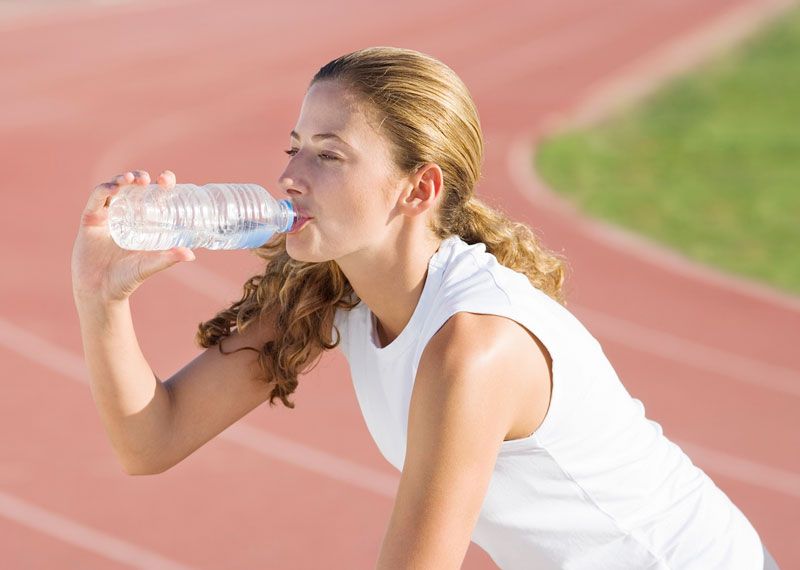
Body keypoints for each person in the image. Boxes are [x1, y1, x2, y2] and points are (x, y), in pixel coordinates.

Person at [72, 46, 779, 569]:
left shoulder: (474, 346)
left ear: (416, 190)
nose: (290, 177)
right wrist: (102, 295)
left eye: (329, 154)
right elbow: (151, 442)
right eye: (294, 148)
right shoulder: (332, 290)